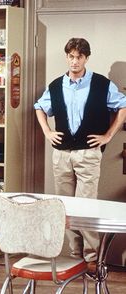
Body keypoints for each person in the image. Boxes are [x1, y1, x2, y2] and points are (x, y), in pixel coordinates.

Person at [34, 37, 126, 271]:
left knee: (87, 206)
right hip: (62, 154)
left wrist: (107, 136)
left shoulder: (101, 84)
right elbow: (39, 107)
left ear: (86, 58)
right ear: (66, 57)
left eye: (79, 57)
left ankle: (92, 259)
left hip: (88, 153)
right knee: (65, 206)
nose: (75, 61)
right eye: (71, 56)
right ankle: (75, 256)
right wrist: (47, 132)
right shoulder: (55, 86)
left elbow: (122, 106)